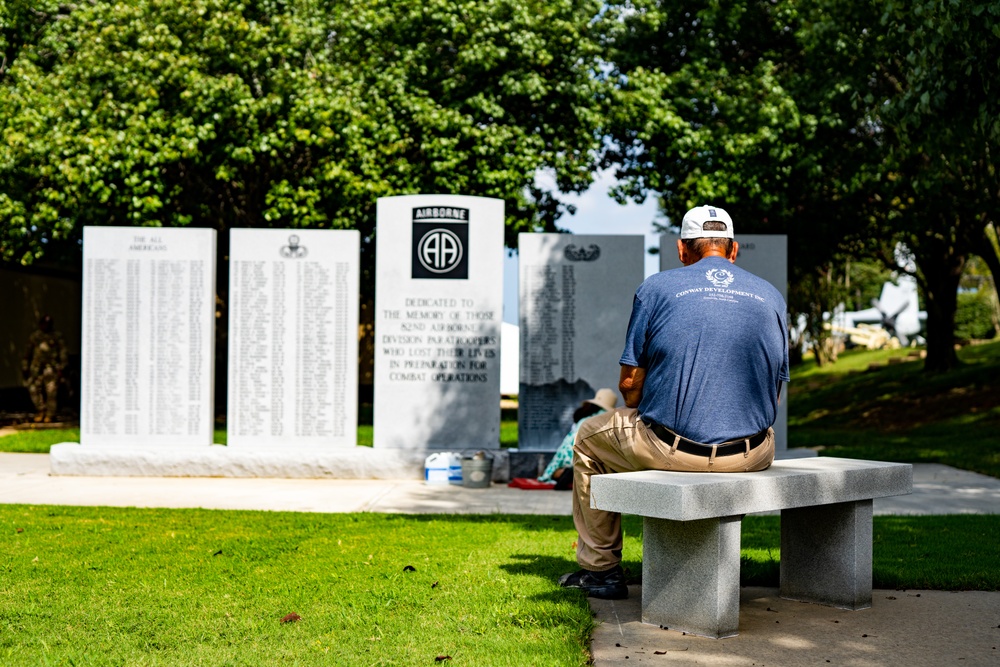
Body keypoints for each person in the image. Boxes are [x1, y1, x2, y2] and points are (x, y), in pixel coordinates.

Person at [559, 205, 789, 600]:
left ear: (682, 250)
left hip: (672, 448)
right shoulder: (771, 295)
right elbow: (775, 390)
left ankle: (601, 571)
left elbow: (630, 384)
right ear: (733, 251)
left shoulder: (657, 288)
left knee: (587, 437)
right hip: (751, 453)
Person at [538, 388, 619, 489]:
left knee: (554, 472)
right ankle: (574, 473)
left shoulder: (583, 416)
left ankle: (563, 473)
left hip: (565, 453)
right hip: (582, 455)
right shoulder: (606, 418)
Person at [22, 315, 68, 423]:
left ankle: (50, 414)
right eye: (44, 323)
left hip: (51, 368)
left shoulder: (57, 336)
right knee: (34, 389)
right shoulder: (35, 336)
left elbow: (63, 352)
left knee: (51, 391)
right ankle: (40, 410)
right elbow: (27, 352)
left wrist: (63, 366)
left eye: (48, 323)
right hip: (36, 367)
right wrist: (25, 366)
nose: (46, 326)